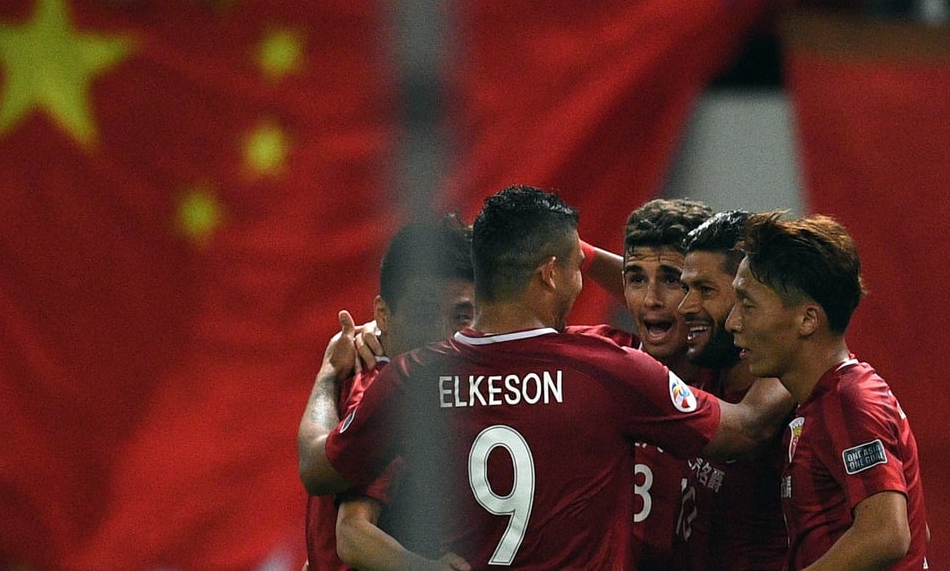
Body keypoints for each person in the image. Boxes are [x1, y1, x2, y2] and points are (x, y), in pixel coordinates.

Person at [300, 185, 790, 569]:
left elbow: (317, 469)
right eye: (577, 267)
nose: (648, 296)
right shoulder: (608, 370)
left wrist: (327, 375)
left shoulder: (412, 377)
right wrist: (803, 342)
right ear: (552, 273)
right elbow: (747, 429)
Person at [725, 211, 929, 570]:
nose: (733, 322)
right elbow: (916, 528)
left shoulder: (850, 399)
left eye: (748, 304)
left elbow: (888, 534)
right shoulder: (818, 405)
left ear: (807, 319)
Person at [300, 215, 474, 571]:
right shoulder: (383, 390)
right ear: (382, 314)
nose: (444, 337)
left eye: (461, 316)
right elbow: (352, 535)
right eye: (425, 314)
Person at [675, 210, 789, 570]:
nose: (685, 307)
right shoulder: (709, 366)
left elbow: (897, 534)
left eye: (705, 290)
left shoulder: (804, 389)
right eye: (685, 288)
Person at [619, 198, 715, 570]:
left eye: (671, 280)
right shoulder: (596, 368)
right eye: (636, 279)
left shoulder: (745, 381)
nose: (651, 300)